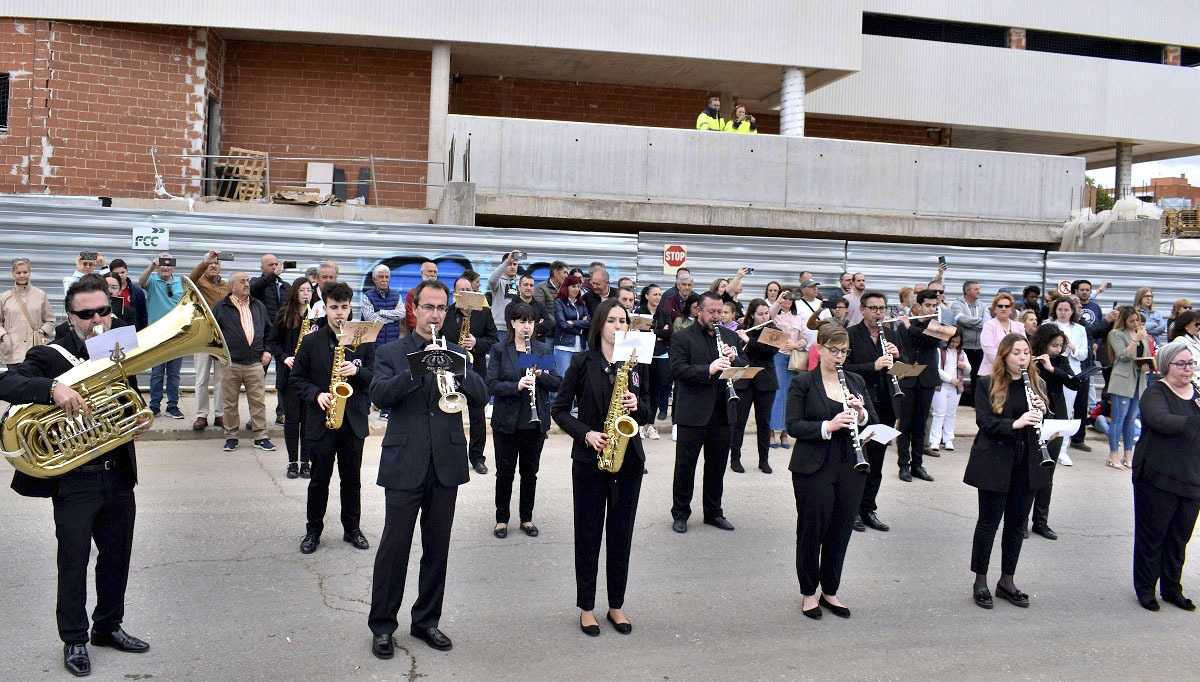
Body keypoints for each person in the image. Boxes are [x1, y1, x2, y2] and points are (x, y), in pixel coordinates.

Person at [0, 275, 151, 677]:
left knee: (117, 558)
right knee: (73, 562)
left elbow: (127, 397)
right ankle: (74, 639)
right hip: (75, 481)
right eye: (86, 314)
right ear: (70, 317)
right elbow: (7, 381)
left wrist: (134, 420)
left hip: (117, 474)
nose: (96, 320)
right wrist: (52, 389)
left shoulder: (117, 348)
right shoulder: (51, 355)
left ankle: (108, 627)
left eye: (103, 310)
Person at [367, 279, 488, 658]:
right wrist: (417, 369)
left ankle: (426, 622)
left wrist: (461, 372)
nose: (435, 315)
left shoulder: (455, 351)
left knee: (437, 549)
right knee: (394, 548)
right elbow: (379, 395)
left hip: (446, 463)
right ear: (414, 309)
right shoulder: (391, 351)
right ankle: (383, 626)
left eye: (441, 308)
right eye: (428, 307)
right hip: (405, 463)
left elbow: (482, 397)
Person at [551, 297, 651, 636]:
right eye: (612, 321)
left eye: (623, 321)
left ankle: (616, 605)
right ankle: (587, 607)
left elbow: (649, 412)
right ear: (599, 325)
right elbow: (560, 410)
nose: (619, 326)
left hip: (628, 460)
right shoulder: (581, 362)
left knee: (621, 535)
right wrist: (586, 434)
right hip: (590, 459)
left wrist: (638, 405)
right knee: (589, 534)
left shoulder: (636, 364)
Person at [786, 324, 876, 619]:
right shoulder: (803, 383)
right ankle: (809, 592)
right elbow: (793, 425)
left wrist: (860, 413)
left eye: (844, 351)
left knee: (840, 529)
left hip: (851, 463)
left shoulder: (856, 381)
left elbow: (871, 419)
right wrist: (828, 426)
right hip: (814, 464)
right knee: (813, 529)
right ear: (819, 349)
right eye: (833, 350)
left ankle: (831, 590)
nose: (839, 357)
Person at [965, 333, 1053, 610]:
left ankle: (1007, 580)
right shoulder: (986, 384)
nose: (1022, 358)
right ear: (1004, 356)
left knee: (1017, 526)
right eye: (1016, 353)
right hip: (995, 460)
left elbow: (1043, 423)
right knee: (988, 523)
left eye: (1026, 353)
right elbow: (985, 421)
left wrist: (1043, 410)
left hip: (1027, 461)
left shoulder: (1036, 383)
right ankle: (980, 581)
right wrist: (1015, 423)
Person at [290, 282, 375, 554]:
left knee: (352, 480)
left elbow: (376, 378)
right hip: (322, 420)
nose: (339, 313)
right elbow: (296, 379)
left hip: (352, 422)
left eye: (344, 307)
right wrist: (316, 395)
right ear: (324, 308)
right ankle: (313, 531)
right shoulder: (312, 341)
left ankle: (352, 529)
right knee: (319, 480)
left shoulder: (362, 340)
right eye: (334, 307)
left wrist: (358, 372)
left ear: (351, 308)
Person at [669, 291, 747, 534]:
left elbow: (744, 365)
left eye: (720, 312)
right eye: (711, 311)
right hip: (693, 412)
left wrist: (735, 359)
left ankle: (714, 513)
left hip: (723, 410)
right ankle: (681, 513)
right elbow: (677, 370)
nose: (716, 316)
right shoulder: (683, 337)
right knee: (685, 466)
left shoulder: (730, 335)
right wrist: (709, 369)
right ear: (698, 311)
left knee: (717, 466)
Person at [1131, 341, 1200, 612]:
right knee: (1153, 535)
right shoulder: (1155, 392)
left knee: (1179, 537)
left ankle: (1172, 588)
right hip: (1157, 477)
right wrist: (1194, 422)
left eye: (1190, 363)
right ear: (1166, 366)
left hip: (1192, 477)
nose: (1187, 369)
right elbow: (1159, 419)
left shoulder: (1197, 393)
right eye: (1181, 364)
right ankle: (1146, 588)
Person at [487, 303, 562, 539]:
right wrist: (516, 385)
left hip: (534, 421)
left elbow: (558, 383)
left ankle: (526, 518)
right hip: (507, 422)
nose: (526, 326)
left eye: (530, 322)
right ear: (512, 323)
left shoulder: (541, 350)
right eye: (521, 321)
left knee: (530, 473)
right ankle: (501, 519)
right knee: (505, 473)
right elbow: (491, 385)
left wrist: (541, 376)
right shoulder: (500, 349)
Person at [845, 291, 901, 532]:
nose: (879, 313)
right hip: (860, 407)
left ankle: (869, 509)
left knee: (877, 461)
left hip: (886, 407)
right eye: (874, 308)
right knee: (859, 460)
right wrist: (872, 366)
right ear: (863, 309)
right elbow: (844, 368)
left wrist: (898, 357)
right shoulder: (850, 335)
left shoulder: (890, 334)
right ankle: (852, 510)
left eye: (882, 308)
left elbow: (903, 369)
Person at [1028, 324, 1088, 540]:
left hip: (1055, 419)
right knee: (1028, 471)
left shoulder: (1060, 361)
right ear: (1043, 343)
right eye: (1054, 345)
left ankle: (1041, 522)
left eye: (1060, 346)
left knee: (1047, 471)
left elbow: (1075, 385)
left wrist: (1053, 369)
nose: (1057, 349)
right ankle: (1020, 520)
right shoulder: (1029, 358)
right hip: (1033, 418)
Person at [442, 276, 500, 475]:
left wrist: (477, 343)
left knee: (478, 416)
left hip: (476, 370)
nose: (466, 293)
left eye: (469, 289)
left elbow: (494, 340)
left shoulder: (484, 313)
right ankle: (452, 456)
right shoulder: (446, 313)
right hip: (450, 369)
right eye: (462, 290)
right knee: (450, 413)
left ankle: (477, 457)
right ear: (455, 294)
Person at [213, 272, 275, 452]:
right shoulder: (222, 307)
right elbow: (212, 335)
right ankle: (231, 437)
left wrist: (267, 350)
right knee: (229, 402)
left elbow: (269, 331)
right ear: (232, 286)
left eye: (247, 281)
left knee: (258, 402)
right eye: (242, 281)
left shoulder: (258, 305)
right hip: (230, 364)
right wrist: (218, 356)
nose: (247, 284)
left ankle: (261, 437)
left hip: (255, 362)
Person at [269, 277, 316, 479]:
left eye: (309, 291)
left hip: (310, 376)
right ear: (295, 292)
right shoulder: (284, 314)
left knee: (307, 421)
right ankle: (292, 462)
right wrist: (284, 357)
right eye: (302, 290)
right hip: (289, 375)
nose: (306, 294)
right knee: (292, 420)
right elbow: (272, 342)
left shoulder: (317, 316)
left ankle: (305, 461)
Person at [894, 290, 941, 482]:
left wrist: (909, 326)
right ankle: (903, 465)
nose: (931, 309)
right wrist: (905, 325)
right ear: (918, 306)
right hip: (906, 376)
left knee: (920, 424)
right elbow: (900, 348)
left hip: (927, 379)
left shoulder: (936, 326)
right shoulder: (903, 326)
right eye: (927, 306)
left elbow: (931, 341)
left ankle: (917, 465)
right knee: (905, 424)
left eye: (933, 306)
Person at [729, 299, 779, 474]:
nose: (764, 316)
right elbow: (735, 352)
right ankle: (735, 458)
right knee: (739, 421)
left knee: (764, 422)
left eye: (766, 313)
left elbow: (769, 351)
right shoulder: (741, 331)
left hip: (766, 381)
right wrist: (741, 339)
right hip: (744, 379)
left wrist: (749, 340)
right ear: (752, 314)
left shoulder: (774, 331)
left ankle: (763, 460)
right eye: (760, 314)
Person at [137, 253, 184, 418]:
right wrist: (151, 266)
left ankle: (173, 406)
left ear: (173, 266)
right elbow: (141, 282)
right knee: (157, 372)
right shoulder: (152, 281)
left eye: (169, 263)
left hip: (177, 335)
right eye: (162, 263)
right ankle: (154, 406)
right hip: (156, 334)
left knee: (174, 373)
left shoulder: (182, 282)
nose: (165, 267)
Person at [189, 251, 231, 431]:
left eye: (216, 263)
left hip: (222, 337)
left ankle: (220, 414)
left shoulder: (226, 285)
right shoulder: (198, 282)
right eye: (210, 263)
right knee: (201, 378)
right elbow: (191, 278)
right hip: (202, 335)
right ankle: (201, 415)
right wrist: (204, 262)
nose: (214, 265)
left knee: (221, 378)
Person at [1107, 307, 1152, 470]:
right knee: (1118, 418)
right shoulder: (1116, 334)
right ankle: (1113, 454)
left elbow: (1143, 355)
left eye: (1137, 320)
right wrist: (1135, 340)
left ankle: (1128, 454)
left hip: (1139, 380)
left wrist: (1146, 366)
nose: (1135, 323)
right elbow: (1123, 355)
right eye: (1131, 320)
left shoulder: (1142, 334)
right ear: (1124, 321)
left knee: (1131, 419)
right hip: (1123, 380)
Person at [1050, 297, 1090, 463]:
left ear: (1072, 311)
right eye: (1060, 309)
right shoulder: (1048, 325)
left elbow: (1083, 355)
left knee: (1066, 410)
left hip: (1070, 371)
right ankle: (1047, 445)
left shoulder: (1079, 329)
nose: (1063, 313)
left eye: (1067, 310)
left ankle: (1062, 449)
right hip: (1051, 370)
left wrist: (1072, 346)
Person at [768, 288, 806, 449]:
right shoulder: (774, 316)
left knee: (790, 396)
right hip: (777, 357)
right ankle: (770, 432)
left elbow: (804, 338)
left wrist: (796, 344)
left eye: (791, 297)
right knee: (776, 395)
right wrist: (778, 300)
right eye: (785, 296)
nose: (788, 300)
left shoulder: (798, 318)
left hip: (793, 359)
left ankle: (784, 433)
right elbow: (769, 316)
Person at [1, 257, 56, 368]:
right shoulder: (5, 297)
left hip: (35, 350)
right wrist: (4, 336)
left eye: (25, 272)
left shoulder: (40, 295)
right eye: (18, 272)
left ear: (30, 273)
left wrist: (41, 331)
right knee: (14, 383)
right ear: (13, 274)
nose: (22, 275)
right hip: (13, 351)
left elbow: (50, 320)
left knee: (34, 382)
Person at [636, 284, 672, 430]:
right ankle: (641, 423)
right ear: (646, 296)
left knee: (657, 390)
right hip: (644, 355)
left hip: (661, 355)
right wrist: (659, 332)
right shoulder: (639, 312)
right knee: (643, 389)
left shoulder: (664, 313)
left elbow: (670, 333)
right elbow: (638, 333)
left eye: (659, 294)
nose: (658, 297)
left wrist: (652, 332)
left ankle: (651, 424)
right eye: (655, 294)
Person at [929, 329, 969, 454]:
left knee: (951, 414)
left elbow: (968, 370)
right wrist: (950, 379)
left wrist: (965, 367)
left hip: (955, 388)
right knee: (938, 414)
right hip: (941, 387)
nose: (955, 344)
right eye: (952, 342)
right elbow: (937, 369)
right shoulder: (939, 351)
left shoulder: (961, 352)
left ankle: (948, 439)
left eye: (957, 342)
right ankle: (934, 440)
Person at [951, 280, 990, 406]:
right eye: (976, 289)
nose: (979, 291)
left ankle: (976, 402)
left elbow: (987, 323)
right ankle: (955, 400)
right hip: (963, 346)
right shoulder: (957, 304)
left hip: (979, 346)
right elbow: (960, 318)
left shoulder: (983, 305)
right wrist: (979, 322)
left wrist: (969, 324)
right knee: (958, 373)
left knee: (977, 376)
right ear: (967, 291)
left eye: (979, 289)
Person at [553, 273, 591, 380]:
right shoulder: (559, 303)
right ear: (566, 287)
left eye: (579, 286)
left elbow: (589, 322)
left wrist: (574, 323)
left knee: (578, 379)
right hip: (564, 345)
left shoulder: (582, 303)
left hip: (580, 347)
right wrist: (581, 326)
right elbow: (563, 324)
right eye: (573, 286)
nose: (576, 289)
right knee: (563, 377)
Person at [979, 293, 1024, 377]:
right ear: (995, 309)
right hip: (992, 372)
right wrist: (1008, 363)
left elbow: (1023, 348)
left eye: (1007, 306)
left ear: (1011, 309)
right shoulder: (989, 325)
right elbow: (988, 349)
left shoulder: (1020, 326)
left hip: (1015, 373)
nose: (1003, 309)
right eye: (1000, 306)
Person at [360, 264, 405, 346]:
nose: (384, 280)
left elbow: (402, 314)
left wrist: (381, 312)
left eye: (387, 277)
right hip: (373, 345)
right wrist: (393, 318)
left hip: (392, 344)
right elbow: (371, 320)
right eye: (381, 277)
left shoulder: (397, 295)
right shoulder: (367, 296)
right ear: (374, 279)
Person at [505, 273, 555, 343]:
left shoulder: (540, 306)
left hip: (538, 347)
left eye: (531, 285)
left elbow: (547, 326)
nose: (528, 288)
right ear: (519, 287)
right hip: (516, 346)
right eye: (525, 285)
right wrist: (538, 327)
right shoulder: (510, 307)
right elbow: (511, 328)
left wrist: (523, 327)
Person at [488, 250, 522, 343]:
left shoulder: (522, 283)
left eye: (515, 264)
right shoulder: (498, 282)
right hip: (499, 328)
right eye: (510, 264)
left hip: (516, 328)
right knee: (497, 356)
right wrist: (507, 261)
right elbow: (491, 280)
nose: (512, 267)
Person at [106, 259, 147, 329]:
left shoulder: (137, 291)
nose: (120, 275)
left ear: (127, 271)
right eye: (117, 273)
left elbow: (143, 315)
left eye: (122, 272)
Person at [403, 260, 439, 332]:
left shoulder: (441, 293)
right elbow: (410, 318)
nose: (432, 274)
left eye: (435, 272)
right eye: (430, 271)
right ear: (422, 273)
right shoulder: (412, 293)